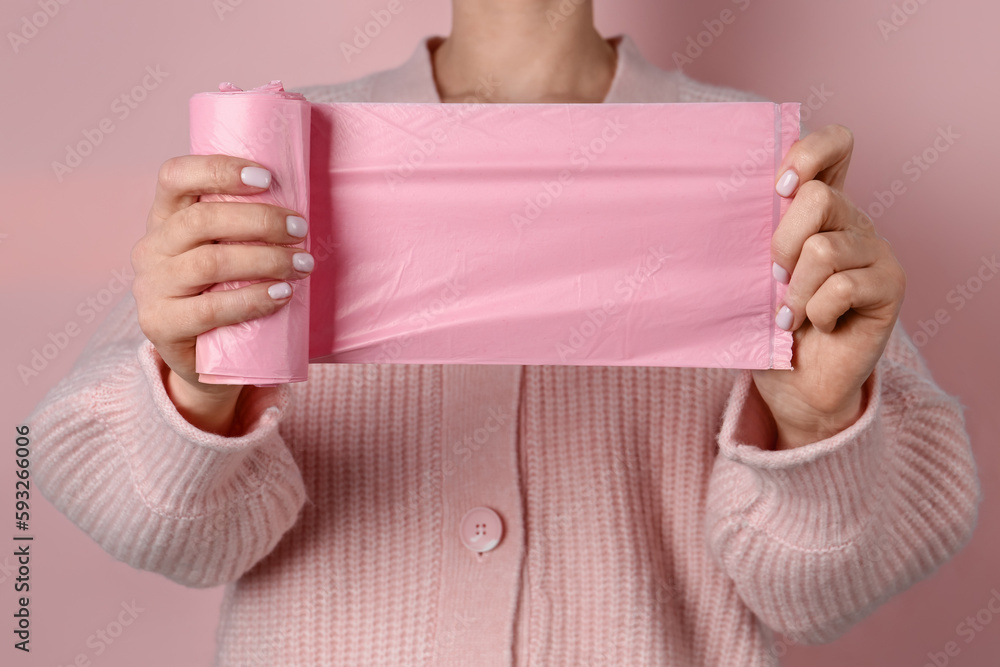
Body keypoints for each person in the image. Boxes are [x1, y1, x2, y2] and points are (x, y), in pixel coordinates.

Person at [26, 1, 980, 665]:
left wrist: (820, 427)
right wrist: (192, 393)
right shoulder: (273, 153)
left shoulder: (759, 164)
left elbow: (831, 585)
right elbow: (146, 517)